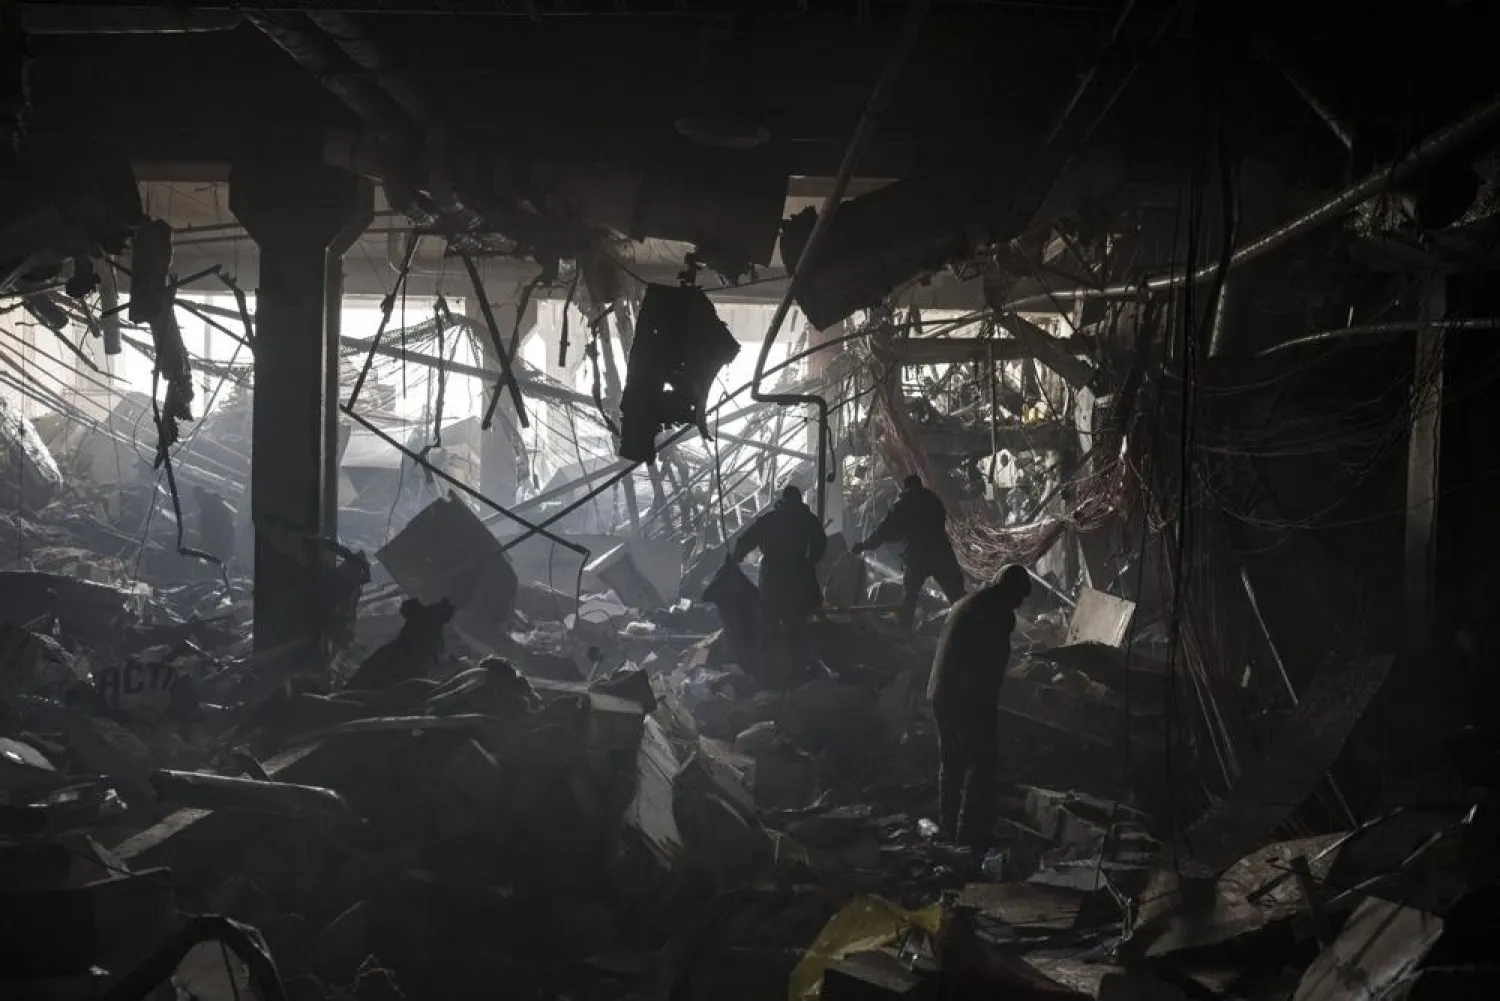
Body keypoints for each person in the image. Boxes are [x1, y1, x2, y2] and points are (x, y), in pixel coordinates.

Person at [928, 564, 1031, 848]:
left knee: (951, 761)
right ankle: (969, 834)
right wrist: (989, 710)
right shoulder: (999, 613)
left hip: (940, 691)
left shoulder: (967, 602)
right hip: (966, 695)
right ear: (1011, 592)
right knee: (982, 761)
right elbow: (991, 667)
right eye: (1019, 598)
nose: (1019, 604)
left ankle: (947, 828)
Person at [730, 484, 827, 684]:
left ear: (782, 501)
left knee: (769, 628)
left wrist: (734, 560)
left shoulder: (769, 520)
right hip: (798, 579)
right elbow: (821, 544)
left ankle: (767, 675)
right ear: (800, 501)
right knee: (796, 626)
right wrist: (810, 562)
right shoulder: (808, 520)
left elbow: (746, 540)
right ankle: (795, 674)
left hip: (772, 578)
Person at [852, 474, 965, 629]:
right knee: (957, 595)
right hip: (942, 551)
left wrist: (865, 545)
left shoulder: (903, 503)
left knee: (910, 595)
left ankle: (905, 633)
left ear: (905, 486)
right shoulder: (933, 499)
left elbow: (884, 530)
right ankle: (970, 627)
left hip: (918, 554)